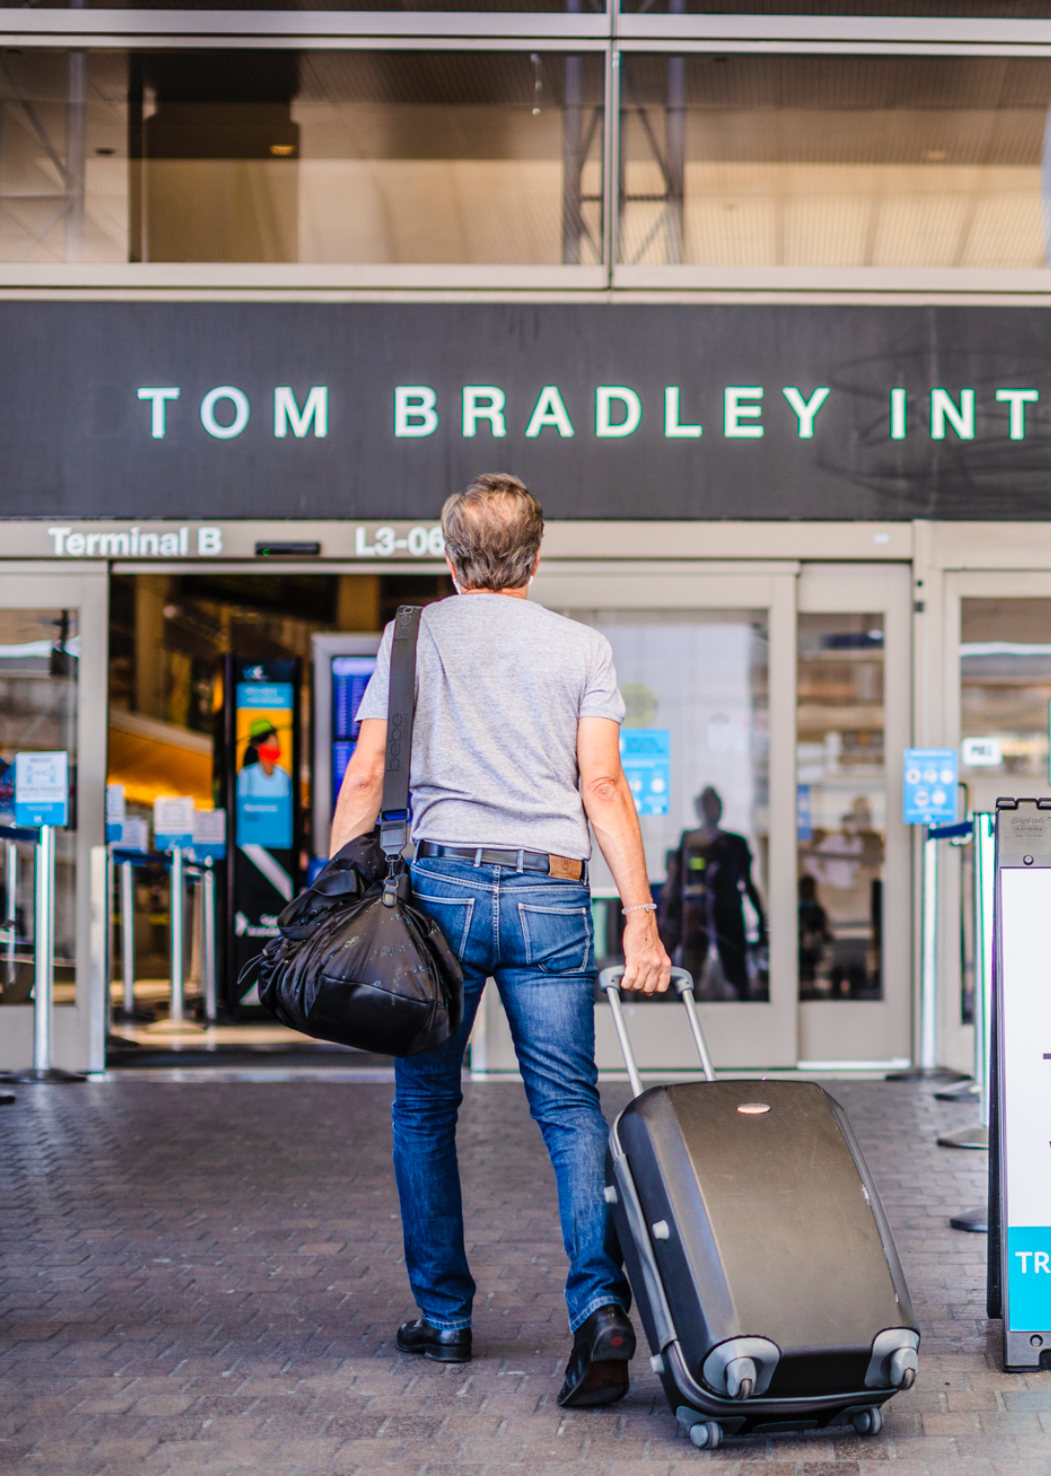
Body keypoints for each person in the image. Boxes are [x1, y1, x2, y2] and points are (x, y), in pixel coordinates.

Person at [330, 473, 671, 1409]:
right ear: (535, 556)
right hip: (551, 896)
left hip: (436, 894)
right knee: (567, 1111)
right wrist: (640, 916)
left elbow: (365, 776)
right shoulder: (581, 647)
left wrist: (331, 897)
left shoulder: (411, 636)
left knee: (423, 1108)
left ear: (449, 555)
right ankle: (599, 1307)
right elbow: (602, 787)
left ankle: (443, 1318)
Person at [662, 786, 765, 1001]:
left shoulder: (735, 842)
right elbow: (675, 880)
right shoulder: (689, 840)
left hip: (727, 911)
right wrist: (667, 916)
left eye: (715, 805)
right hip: (694, 911)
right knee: (690, 969)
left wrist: (762, 918)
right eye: (706, 805)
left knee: (735, 968)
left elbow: (747, 882)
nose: (711, 810)